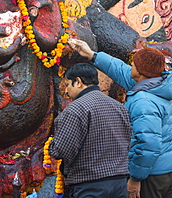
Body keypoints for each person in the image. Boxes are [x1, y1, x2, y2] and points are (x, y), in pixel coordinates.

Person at [68, 38, 172, 198]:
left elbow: (148, 145)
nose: (131, 66)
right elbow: (120, 69)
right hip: (164, 169)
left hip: (151, 175)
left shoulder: (143, 101)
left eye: (134, 64)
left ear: (141, 71)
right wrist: (92, 55)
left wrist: (136, 179)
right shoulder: (156, 85)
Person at [48, 62, 132, 198]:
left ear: (78, 82)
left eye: (68, 84)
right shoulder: (119, 107)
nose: (66, 91)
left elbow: (61, 150)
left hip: (90, 184)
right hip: (119, 181)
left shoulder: (76, 109)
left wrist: (51, 144)